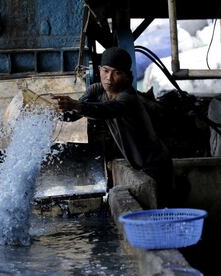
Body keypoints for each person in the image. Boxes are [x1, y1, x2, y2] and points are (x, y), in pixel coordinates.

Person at [53, 47, 173, 207]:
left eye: (117, 73)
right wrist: (57, 109)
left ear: (127, 76)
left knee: (162, 212)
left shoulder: (128, 98)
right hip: (138, 164)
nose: (109, 78)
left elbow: (106, 110)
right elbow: (72, 116)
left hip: (156, 165)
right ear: (99, 70)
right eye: (106, 71)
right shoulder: (96, 90)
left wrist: (76, 104)